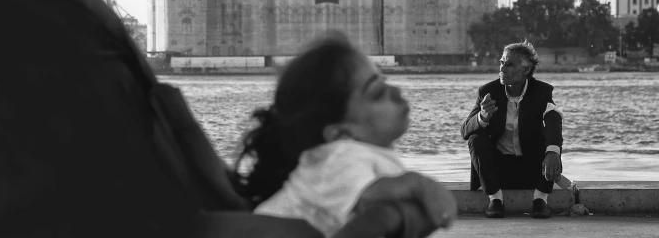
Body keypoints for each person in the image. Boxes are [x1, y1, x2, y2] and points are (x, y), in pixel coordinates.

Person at [234, 33, 457, 237]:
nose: (396, 92)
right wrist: (419, 185)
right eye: (378, 93)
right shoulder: (336, 158)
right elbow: (370, 204)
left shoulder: (354, 153)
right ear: (341, 132)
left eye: (385, 82)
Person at [460, 41, 563, 219]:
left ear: (525, 70)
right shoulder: (488, 91)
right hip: (498, 171)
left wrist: (553, 151)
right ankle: (495, 200)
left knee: (550, 136)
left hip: (531, 168)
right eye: (501, 63)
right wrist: (483, 116)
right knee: (476, 139)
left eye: (509, 64)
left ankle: (540, 200)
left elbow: (553, 120)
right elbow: (464, 130)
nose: (502, 69)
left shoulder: (541, 91)